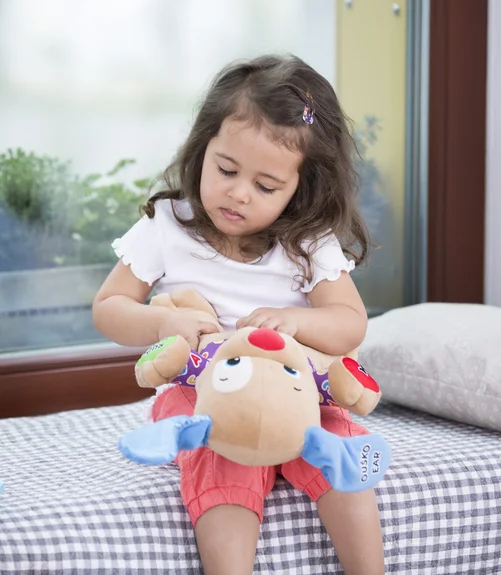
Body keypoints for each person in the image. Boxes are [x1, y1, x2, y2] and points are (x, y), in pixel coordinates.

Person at [93, 54, 384, 575]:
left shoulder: (309, 242)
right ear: (202, 148)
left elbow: (350, 323)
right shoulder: (168, 225)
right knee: (218, 452)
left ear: (301, 188)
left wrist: (297, 322)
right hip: (200, 391)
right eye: (226, 169)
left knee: (341, 452)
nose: (238, 192)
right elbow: (109, 308)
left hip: (295, 392)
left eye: (266, 186)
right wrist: (160, 324)